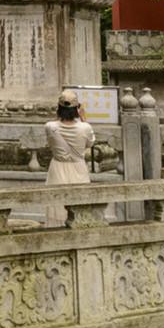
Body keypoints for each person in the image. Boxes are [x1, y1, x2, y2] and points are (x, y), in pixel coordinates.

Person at [45, 88, 95, 225]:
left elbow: (51, 137)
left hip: (57, 167)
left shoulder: (50, 126)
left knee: (56, 206)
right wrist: (84, 119)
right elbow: (90, 143)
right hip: (78, 167)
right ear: (77, 108)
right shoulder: (85, 128)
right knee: (80, 208)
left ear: (59, 108)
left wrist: (59, 114)